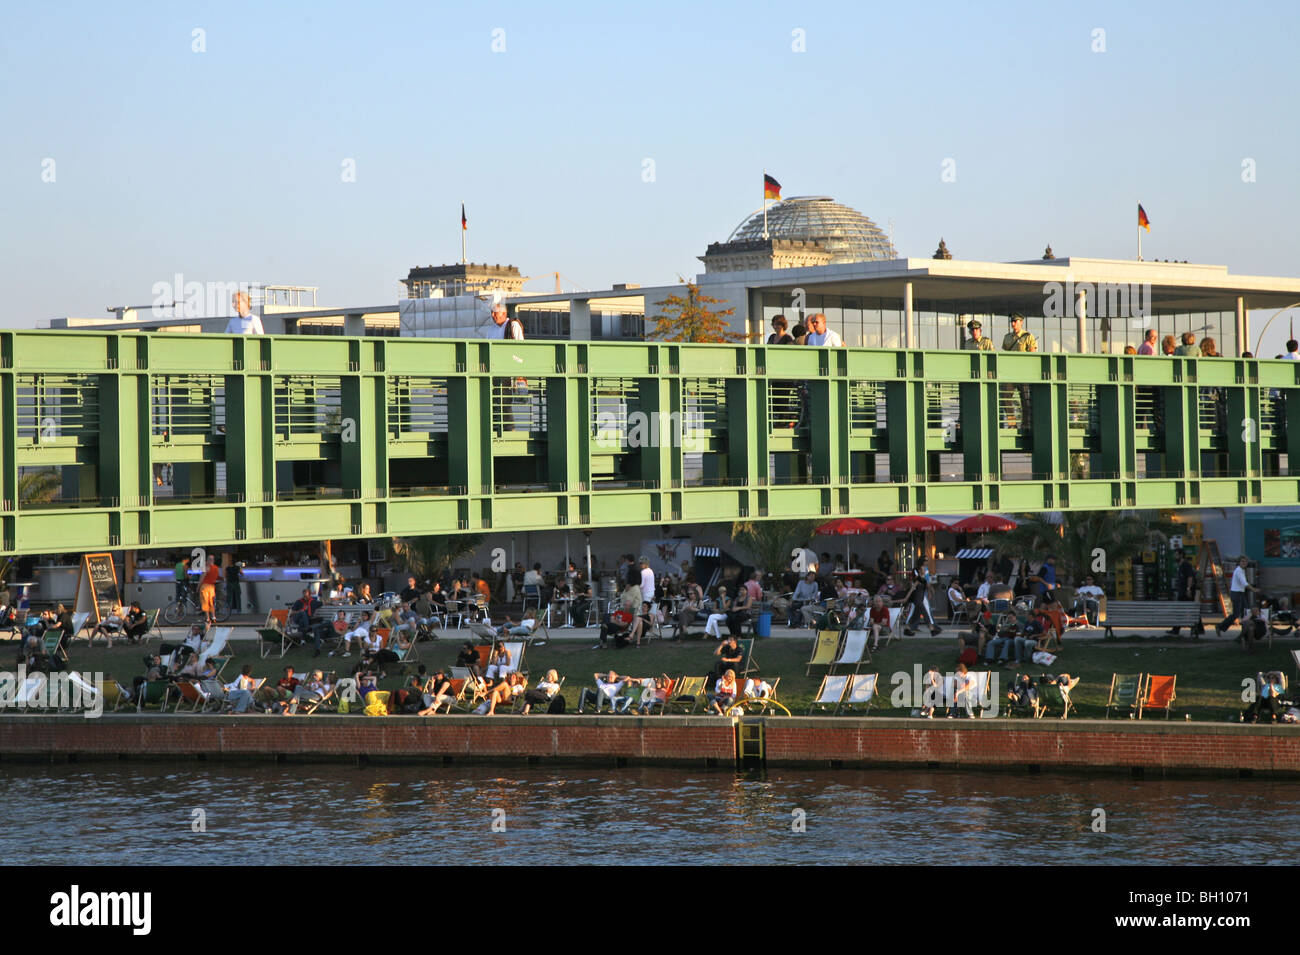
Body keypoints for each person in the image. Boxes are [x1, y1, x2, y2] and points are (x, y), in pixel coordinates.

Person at [1216, 555, 1256, 636]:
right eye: (1242, 561)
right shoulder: (1238, 571)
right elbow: (1244, 583)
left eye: (1245, 561)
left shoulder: (1242, 570)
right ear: (1239, 563)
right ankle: (1220, 626)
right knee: (1236, 614)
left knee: (1246, 612)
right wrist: (1254, 589)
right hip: (1236, 594)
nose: (1244, 563)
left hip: (1240, 593)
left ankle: (1245, 631)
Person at [1166, 551, 1198, 636]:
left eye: (1176, 555)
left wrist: (1188, 589)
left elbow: (1190, 577)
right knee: (1182, 610)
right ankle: (1177, 629)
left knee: (1188, 610)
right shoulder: (1180, 566)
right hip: (1182, 591)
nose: (1174, 556)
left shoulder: (1186, 565)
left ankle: (1195, 629)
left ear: (1181, 555)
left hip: (1186, 592)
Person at [198, 555, 221, 626]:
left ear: (208, 560)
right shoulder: (216, 568)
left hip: (205, 586)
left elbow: (202, 577)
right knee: (211, 602)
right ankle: (213, 617)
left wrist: (198, 586)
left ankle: (207, 618)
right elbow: (217, 577)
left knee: (205, 602)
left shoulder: (206, 567)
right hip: (212, 586)